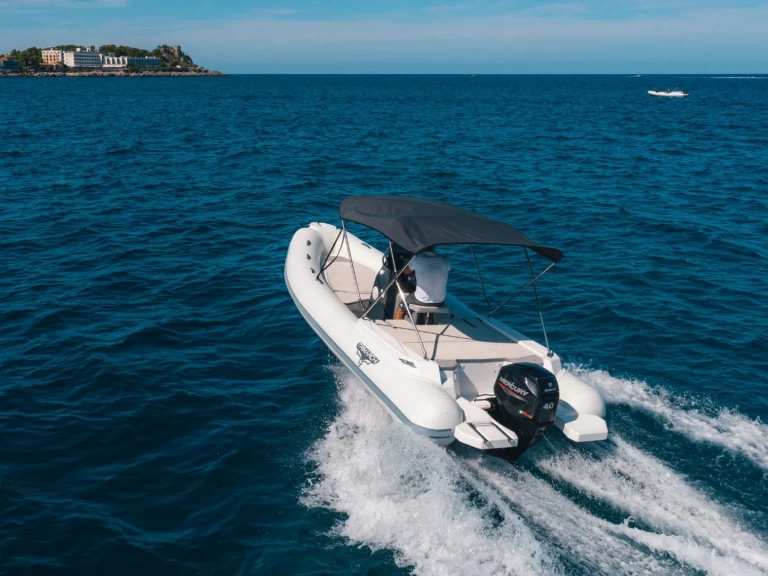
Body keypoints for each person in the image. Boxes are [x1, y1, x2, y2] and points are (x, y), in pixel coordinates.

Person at [394, 247, 450, 320]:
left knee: (401, 308)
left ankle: (397, 329)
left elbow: (405, 272)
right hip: (440, 301)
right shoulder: (443, 259)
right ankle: (429, 322)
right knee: (428, 305)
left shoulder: (418, 258)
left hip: (422, 300)